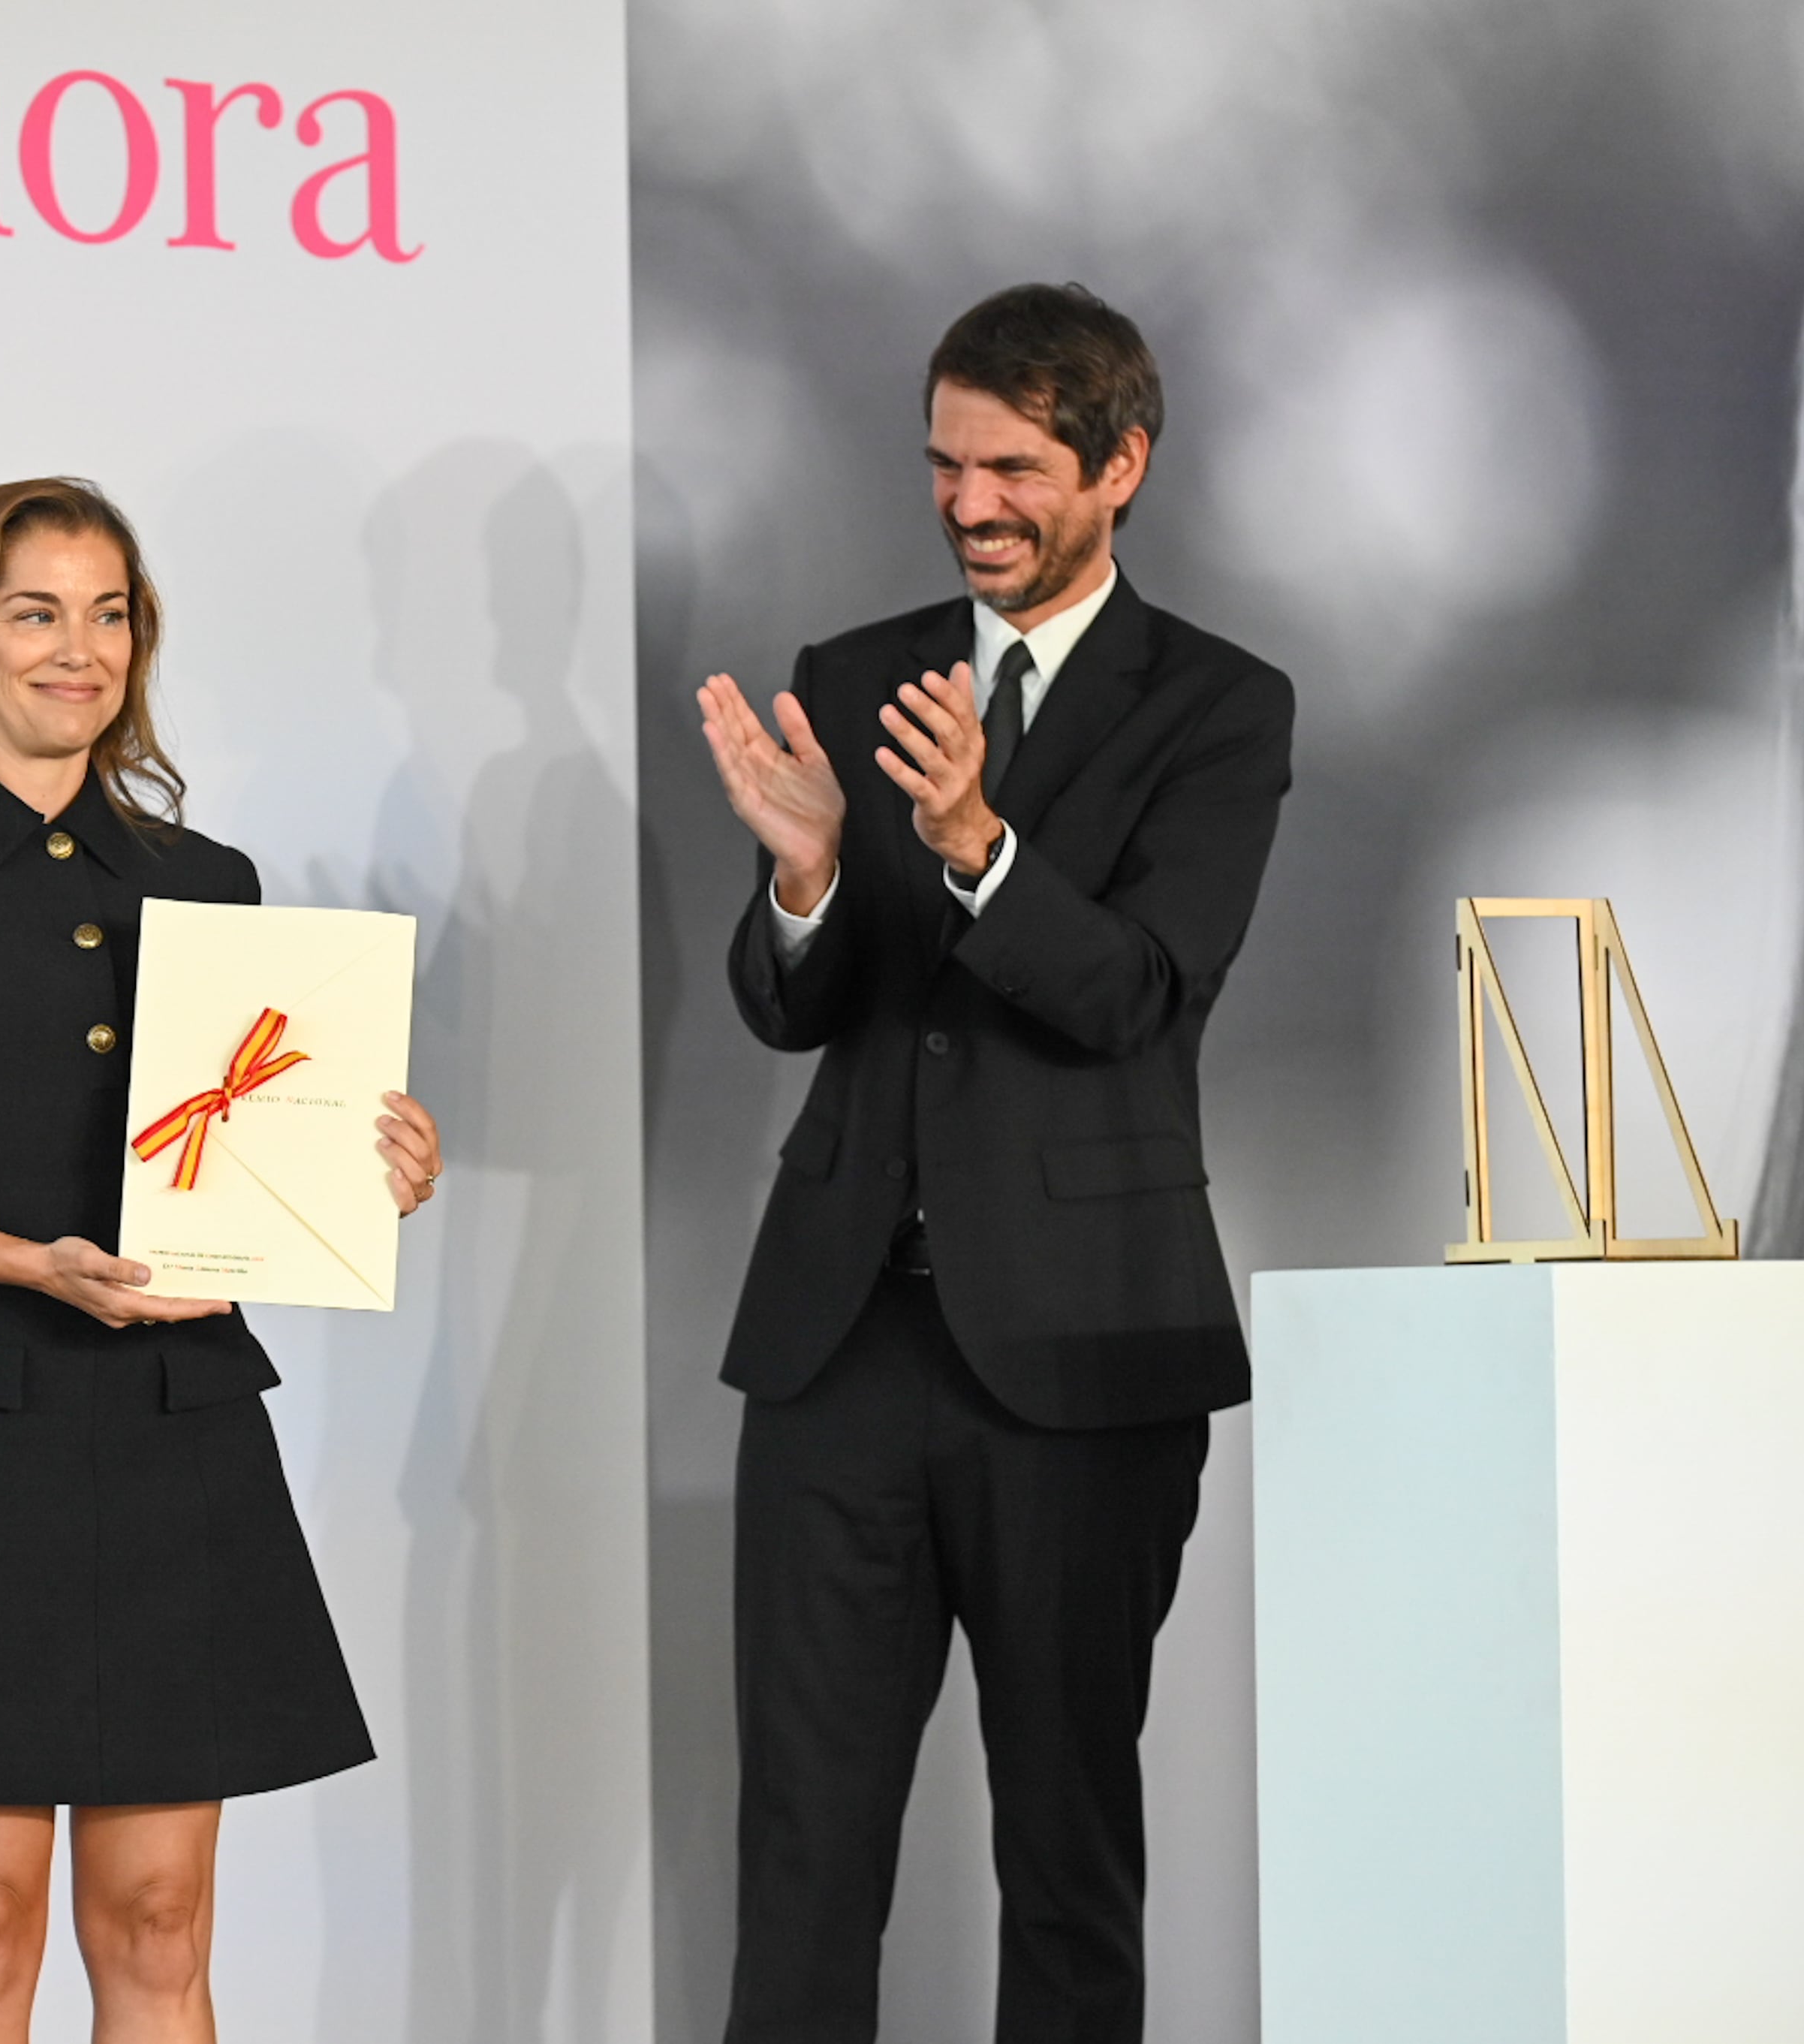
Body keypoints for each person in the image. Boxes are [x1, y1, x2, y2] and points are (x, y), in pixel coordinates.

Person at [0, 478, 446, 2044]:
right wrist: (25, 1261)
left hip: (166, 1429)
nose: (81, 649)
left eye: (110, 612)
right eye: (36, 611)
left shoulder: (209, 882)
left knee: (159, 1915)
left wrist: (372, 1166)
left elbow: (245, 1170)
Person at [696, 284, 1292, 2043]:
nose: (970, 503)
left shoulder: (1219, 708)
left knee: (1063, 1856)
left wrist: (970, 843)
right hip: (835, 1348)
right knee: (801, 1859)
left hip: (1084, 1364)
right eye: (946, 462)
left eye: (1015, 467)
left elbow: (1132, 994)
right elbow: (793, 1006)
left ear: (1120, 464)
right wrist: (804, 877)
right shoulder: (853, 675)